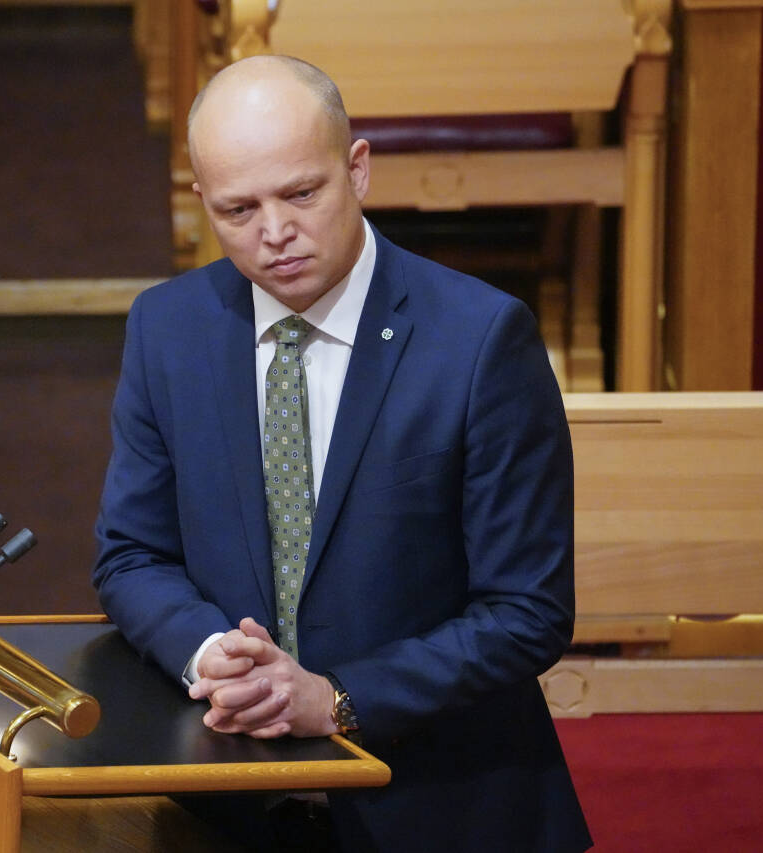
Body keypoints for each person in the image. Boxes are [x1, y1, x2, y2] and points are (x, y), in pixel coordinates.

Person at [92, 54, 591, 852]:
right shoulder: (167, 329)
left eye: (300, 193)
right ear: (200, 204)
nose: (275, 232)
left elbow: (526, 612)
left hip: (439, 808)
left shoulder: (480, 339)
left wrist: (338, 698)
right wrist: (212, 653)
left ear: (357, 170)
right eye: (238, 209)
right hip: (226, 807)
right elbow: (131, 553)